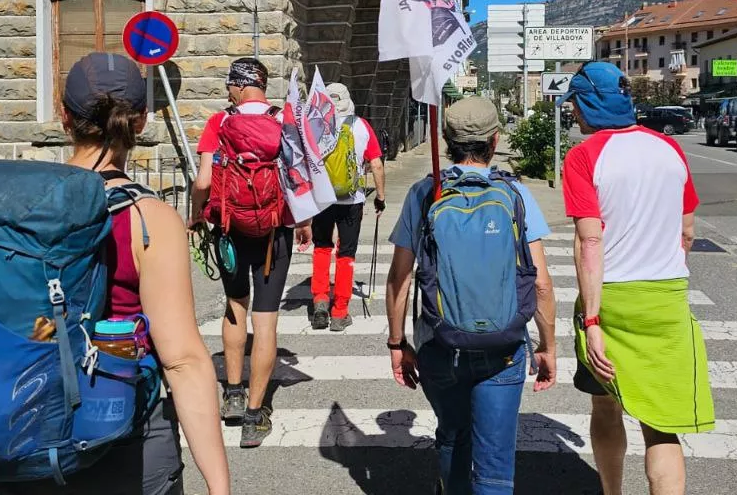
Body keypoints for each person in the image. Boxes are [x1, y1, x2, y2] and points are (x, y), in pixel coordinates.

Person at [0, 52, 231, 495]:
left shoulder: (17, 208)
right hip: (119, 439)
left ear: (64, 117)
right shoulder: (148, 219)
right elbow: (183, 361)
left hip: (16, 432)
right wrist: (219, 486)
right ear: (142, 122)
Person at [384, 96, 557, 495]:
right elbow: (542, 283)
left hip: (439, 342)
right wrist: (548, 346)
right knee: (495, 461)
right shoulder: (515, 194)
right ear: (495, 141)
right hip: (505, 346)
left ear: (445, 139)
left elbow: (399, 277)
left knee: (453, 435)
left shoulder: (425, 192)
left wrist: (397, 343)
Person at [560, 61, 714, 495]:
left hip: (610, 300)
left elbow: (590, 243)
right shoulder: (670, 149)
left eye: (575, 102)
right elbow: (686, 232)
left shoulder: (584, 156)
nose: (573, 111)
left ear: (589, 102)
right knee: (662, 426)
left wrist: (591, 322)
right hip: (664, 299)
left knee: (606, 407)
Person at [191, 58, 312, 448]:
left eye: (230, 83)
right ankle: (256, 415)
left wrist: (195, 216)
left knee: (234, 307)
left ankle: (233, 392)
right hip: (274, 230)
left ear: (241, 86)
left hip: (229, 228)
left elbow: (204, 181)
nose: (227, 89)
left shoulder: (220, 123)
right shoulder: (284, 119)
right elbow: (299, 177)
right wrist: (304, 222)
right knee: (266, 321)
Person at [309, 82, 386, 331]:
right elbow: (376, 164)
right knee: (346, 253)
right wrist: (380, 196)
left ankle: (320, 300)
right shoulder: (361, 126)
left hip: (322, 198)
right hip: (351, 199)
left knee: (321, 247)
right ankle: (340, 311)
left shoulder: (315, 125)